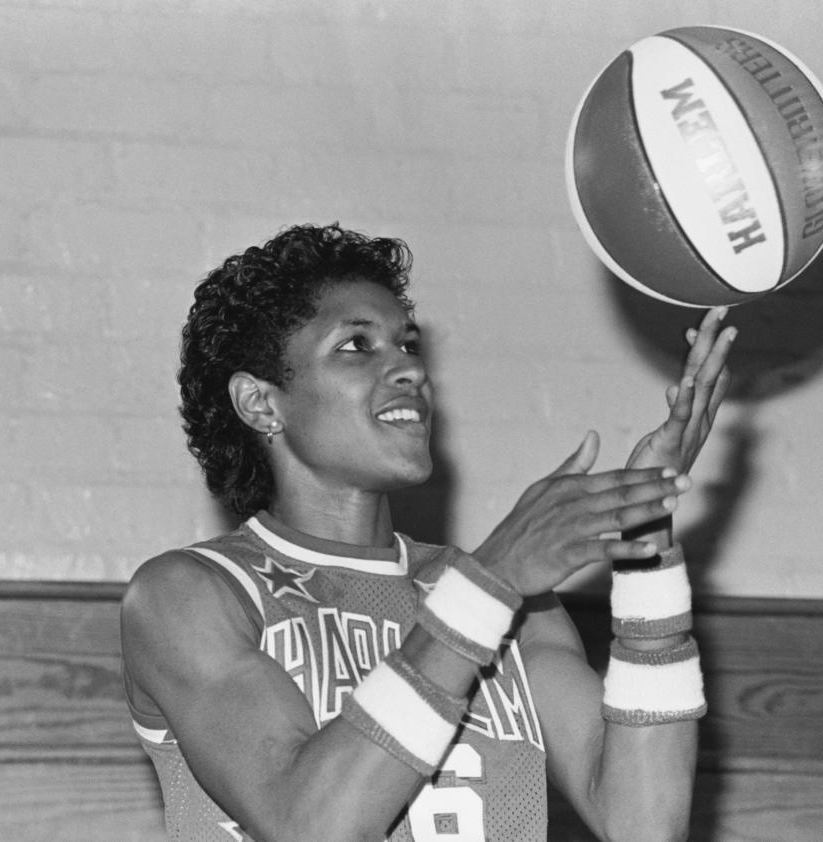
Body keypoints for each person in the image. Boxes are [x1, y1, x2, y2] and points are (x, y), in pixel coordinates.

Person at [120, 223, 736, 842]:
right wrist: (490, 582)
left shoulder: (517, 607)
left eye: (407, 345)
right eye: (356, 346)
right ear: (261, 403)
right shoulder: (189, 595)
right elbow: (310, 825)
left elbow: (644, 826)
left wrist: (646, 540)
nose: (409, 370)